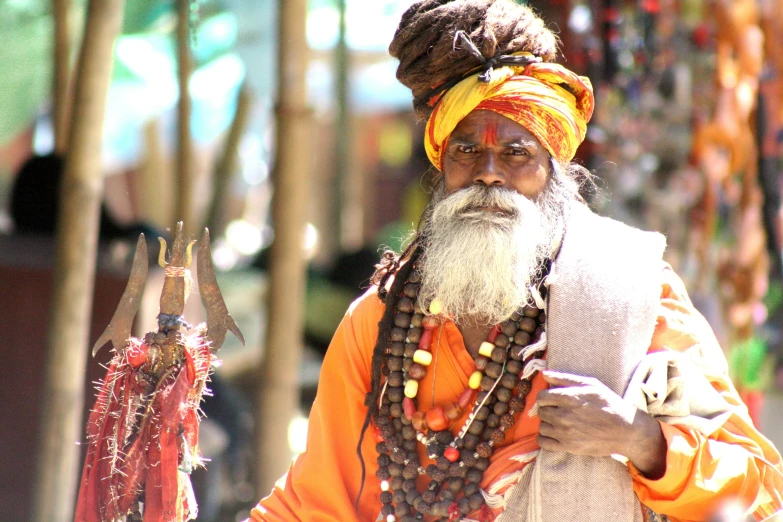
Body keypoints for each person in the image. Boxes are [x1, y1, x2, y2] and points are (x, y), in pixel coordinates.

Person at [249, 1, 783, 520]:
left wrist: (641, 440)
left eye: (515, 153)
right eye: (465, 151)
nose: (488, 173)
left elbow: (753, 495)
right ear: (440, 167)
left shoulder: (636, 295)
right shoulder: (379, 325)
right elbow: (318, 500)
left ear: (553, 172)